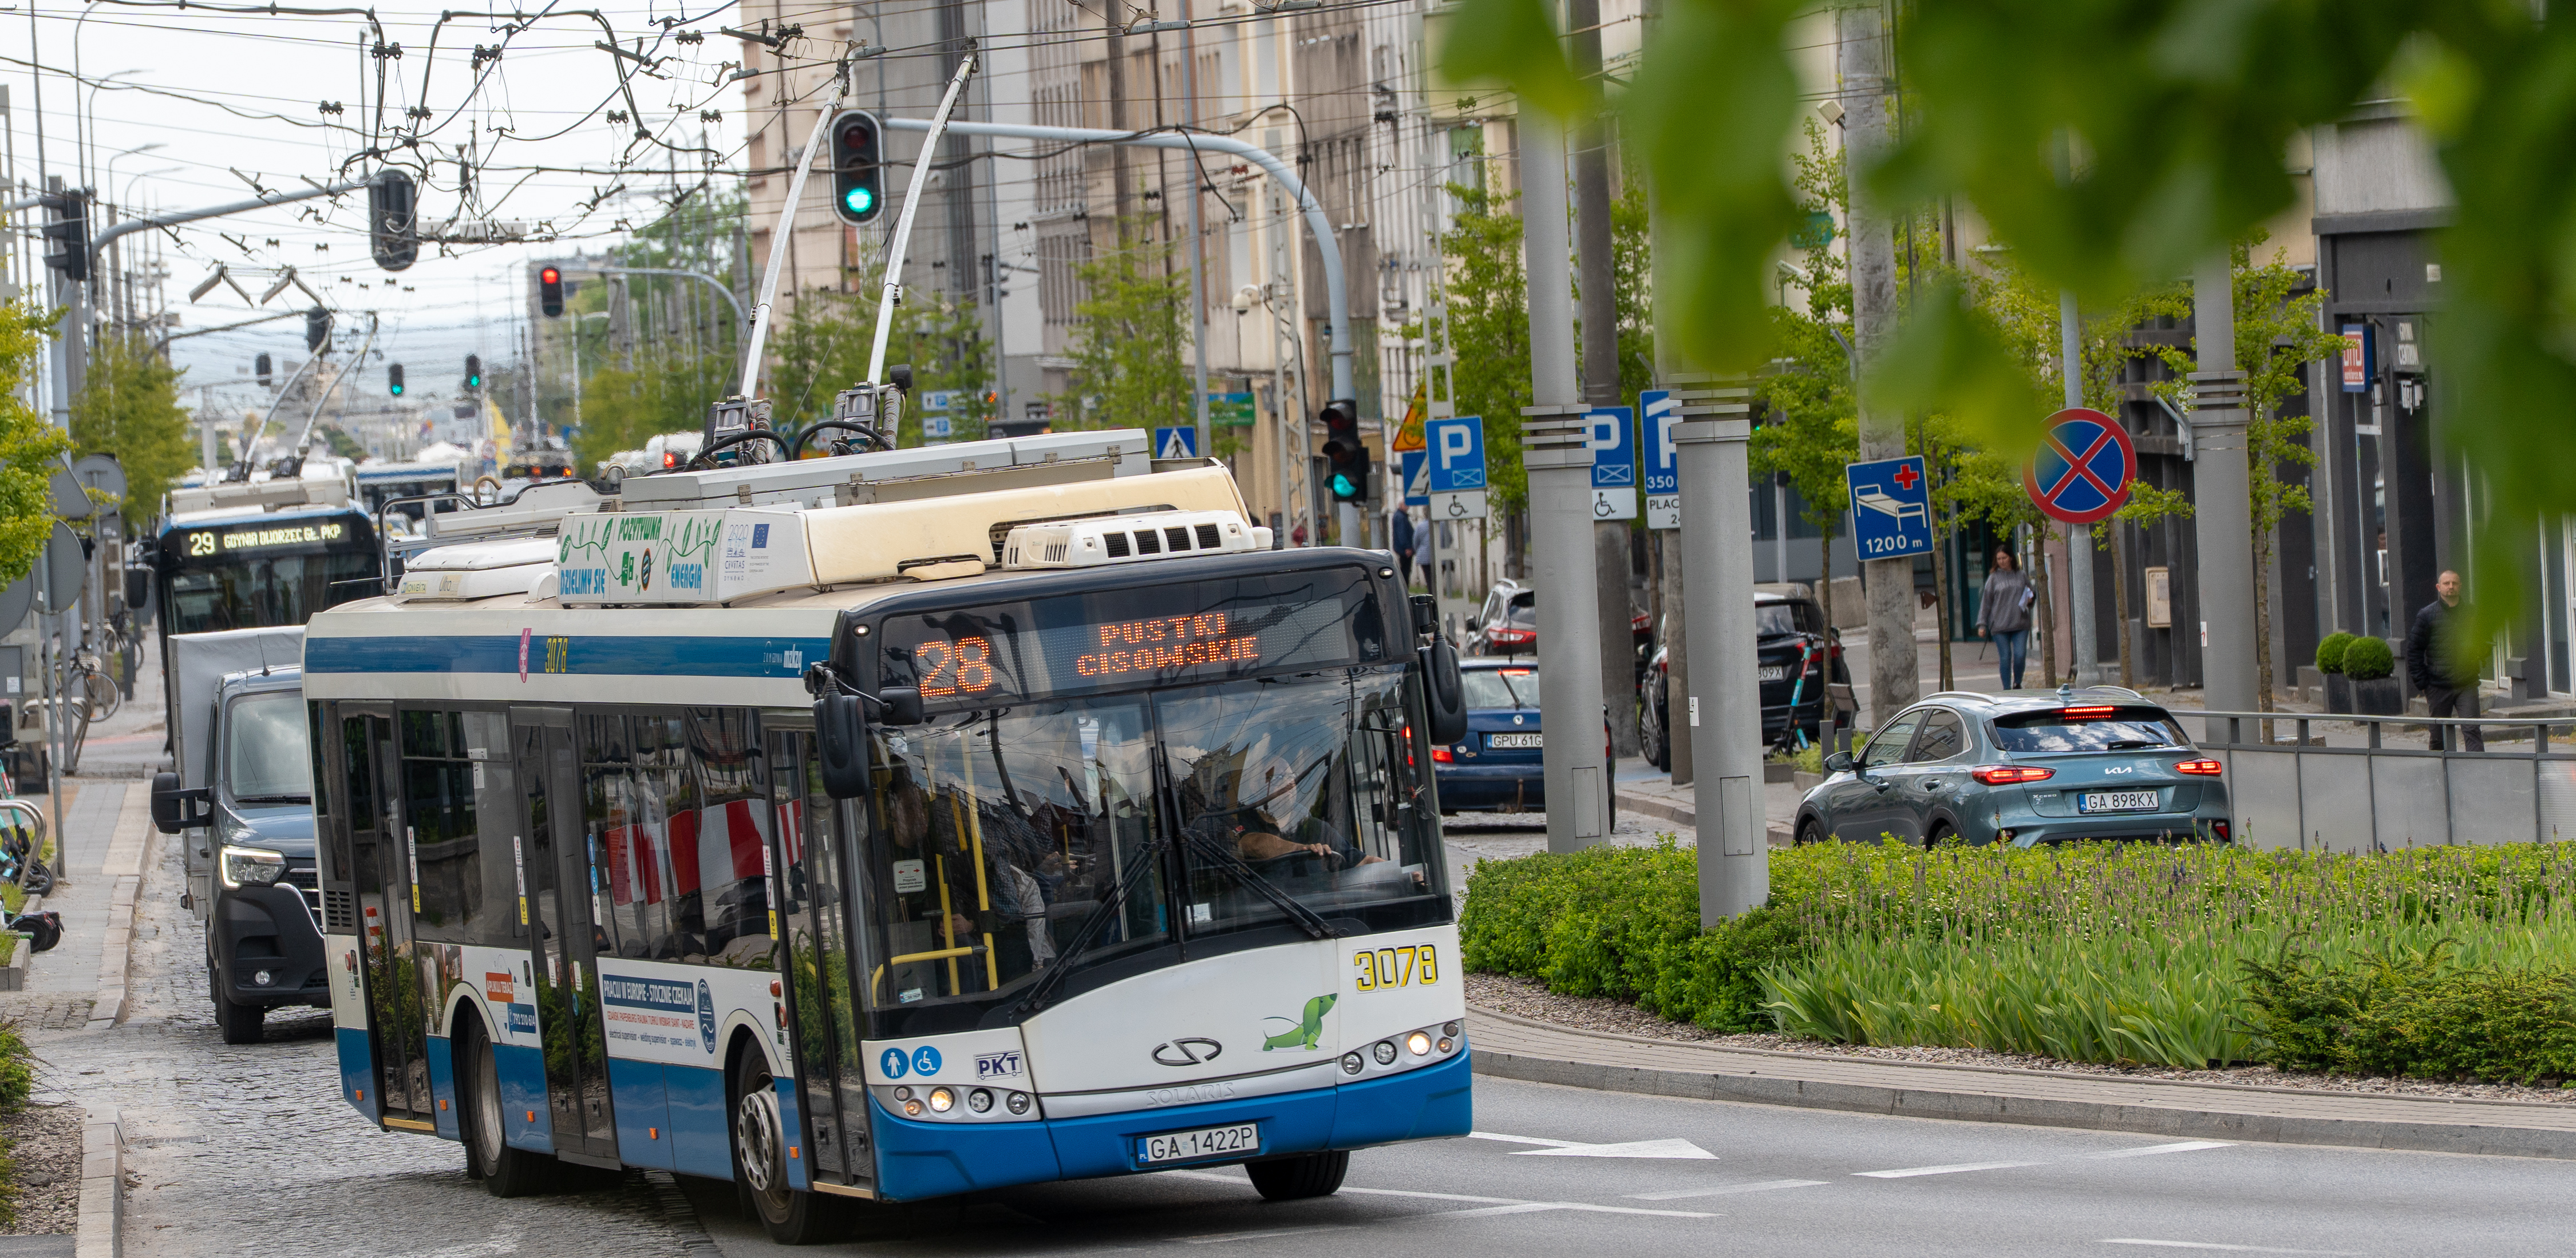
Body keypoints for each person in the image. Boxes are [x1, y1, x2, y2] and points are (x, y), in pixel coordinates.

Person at [2405, 569, 2484, 753]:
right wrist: (2423, 682)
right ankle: (2439, 774)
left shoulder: (2472, 613)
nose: (2451, 587)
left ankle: (2477, 774)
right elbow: (2414, 650)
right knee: (2438, 735)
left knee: (2473, 730)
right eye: (2447, 584)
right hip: (2437, 685)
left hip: (2467, 683)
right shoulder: (2427, 614)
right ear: (2439, 587)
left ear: (2460, 586)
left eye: (2455, 583)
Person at [1976, 548, 2035, 690]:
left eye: (2004, 558)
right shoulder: (1994, 578)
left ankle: (2018, 682)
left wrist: (2030, 600)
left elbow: (2031, 593)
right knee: (2006, 657)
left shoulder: (2021, 575)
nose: (2002, 561)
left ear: (2011, 558)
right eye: (1999, 559)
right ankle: (2007, 689)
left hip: (2020, 623)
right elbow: (1986, 602)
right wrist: (1982, 624)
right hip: (2000, 626)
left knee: (2020, 655)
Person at [1392, 509, 1417, 588]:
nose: (1408, 507)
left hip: (1402, 549)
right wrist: (1407, 547)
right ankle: (1404, 590)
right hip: (1404, 550)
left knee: (1405, 570)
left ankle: (1404, 589)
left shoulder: (1399, 516)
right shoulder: (1401, 517)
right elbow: (1402, 533)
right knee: (1405, 571)